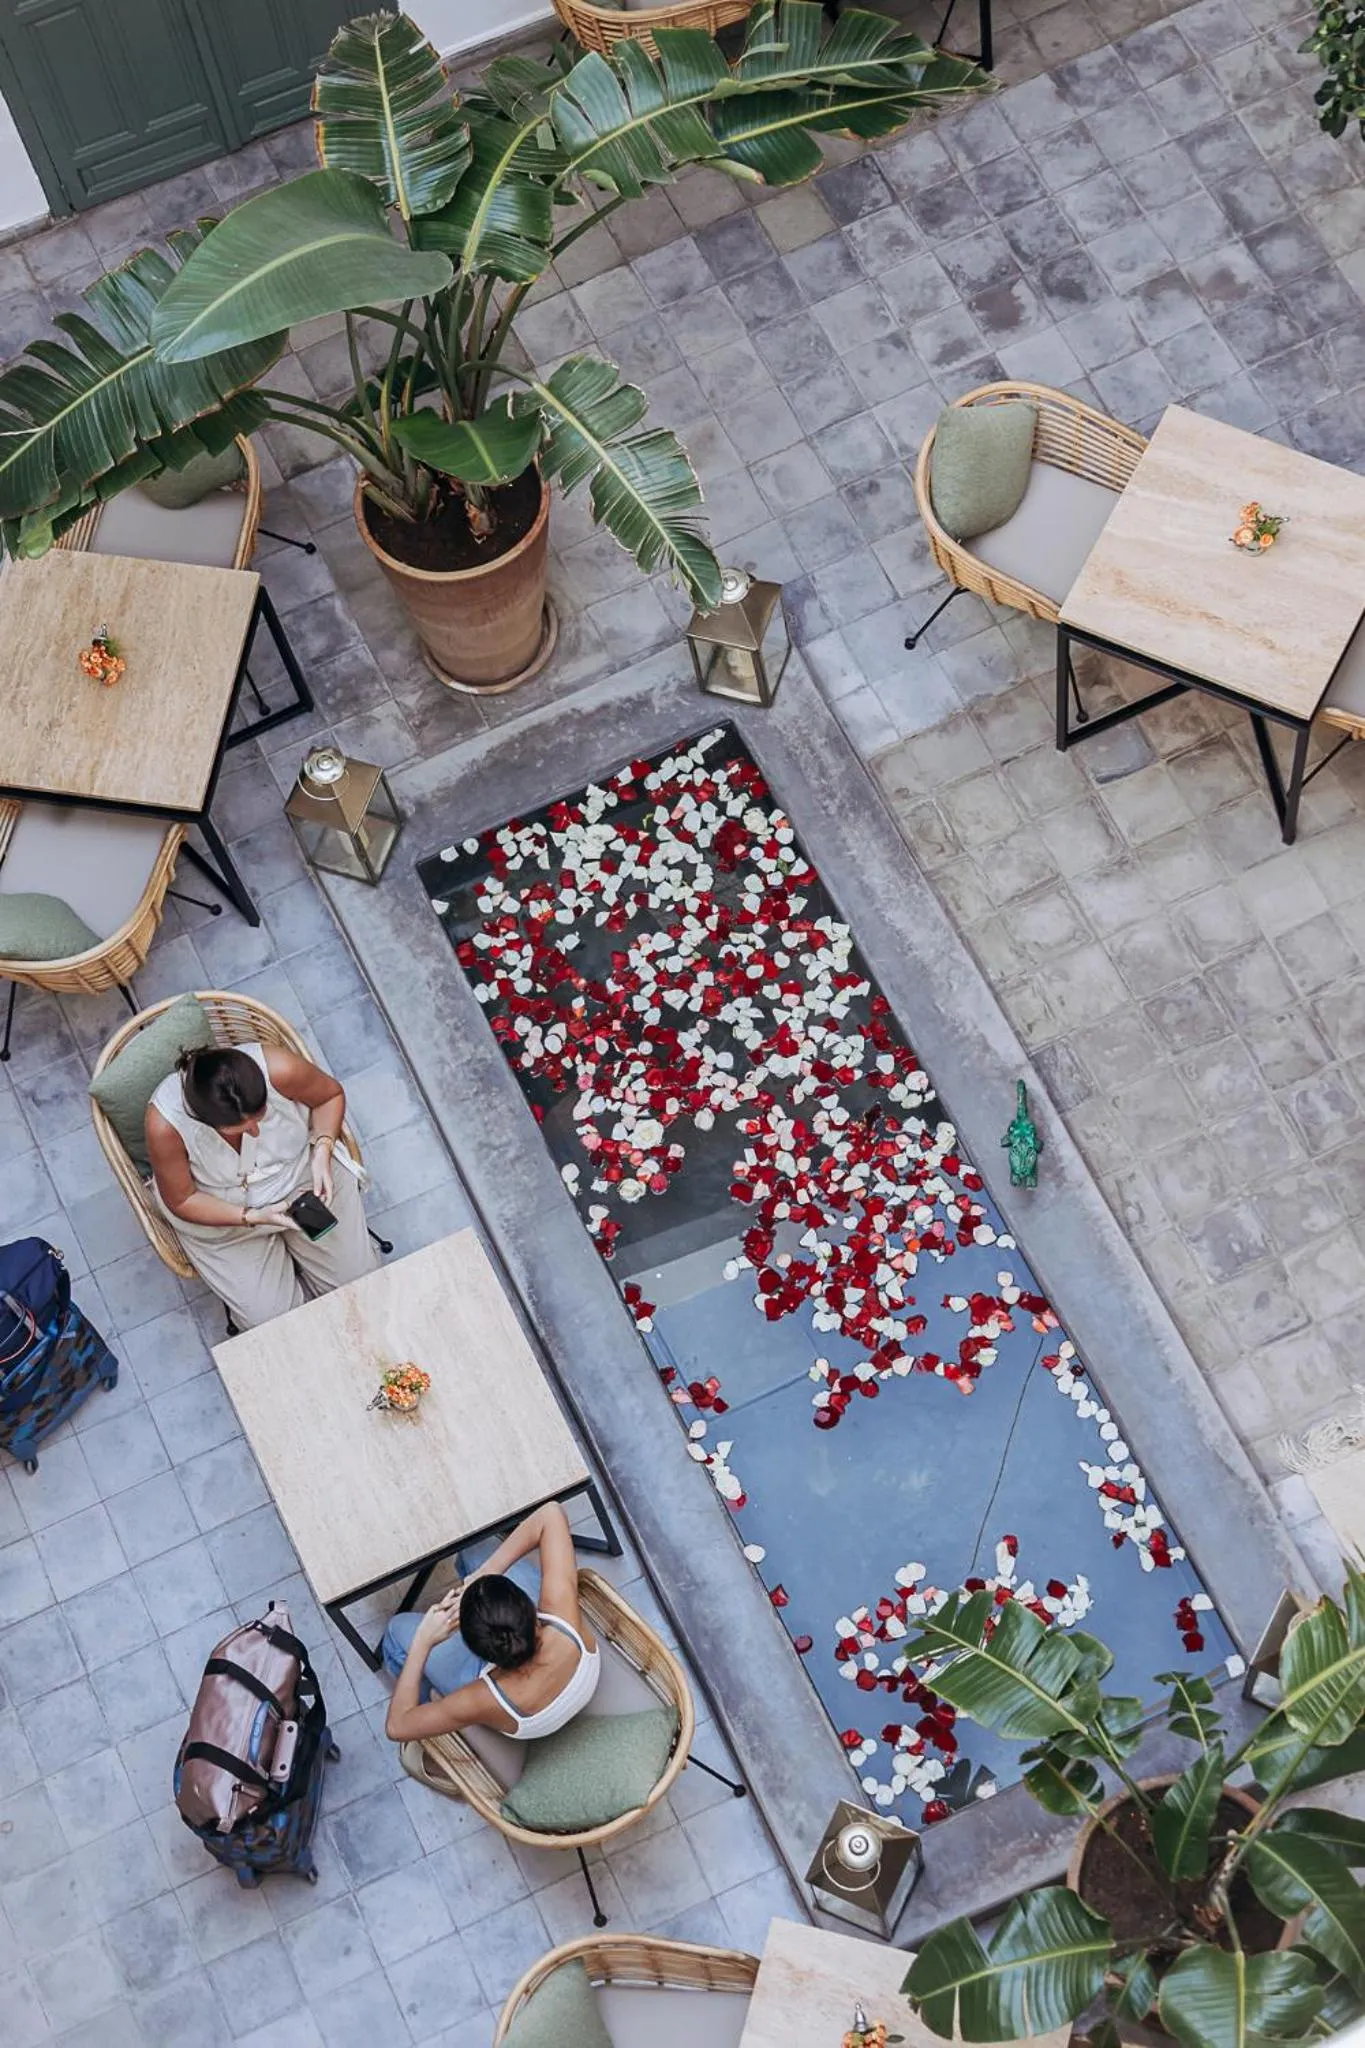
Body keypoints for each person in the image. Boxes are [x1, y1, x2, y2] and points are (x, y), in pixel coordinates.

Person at [145, 1040, 377, 1330]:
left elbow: (329, 1097)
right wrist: (250, 1217)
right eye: (240, 1129)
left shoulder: (281, 1069)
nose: (255, 1132)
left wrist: (323, 1148)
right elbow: (182, 1200)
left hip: (301, 1185)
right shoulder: (165, 1126)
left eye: (260, 1116)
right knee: (273, 1324)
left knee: (361, 1285)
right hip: (226, 1218)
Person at [383, 1502, 599, 1746]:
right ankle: (478, 1570)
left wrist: (423, 1641)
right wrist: (486, 1571)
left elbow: (397, 1726)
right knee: (475, 1544)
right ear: (531, 1607)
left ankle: (423, 1699)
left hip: (517, 1708)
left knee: (396, 1629)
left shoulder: (480, 1699)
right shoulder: (562, 1614)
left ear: (472, 1649)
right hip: (572, 1677)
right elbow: (551, 1512)